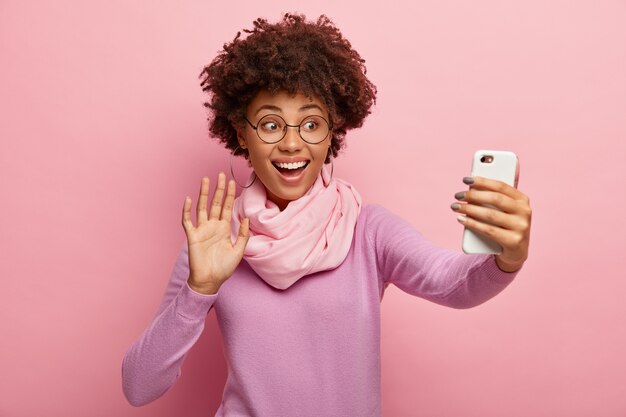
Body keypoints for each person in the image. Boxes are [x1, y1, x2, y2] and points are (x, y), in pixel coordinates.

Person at [122, 13, 532, 416]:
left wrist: (506, 257)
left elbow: (452, 284)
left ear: (332, 131)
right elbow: (140, 387)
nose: (291, 143)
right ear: (242, 132)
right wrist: (199, 290)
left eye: (311, 124)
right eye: (270, 125)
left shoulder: (367, 231)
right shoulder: (214, 244)